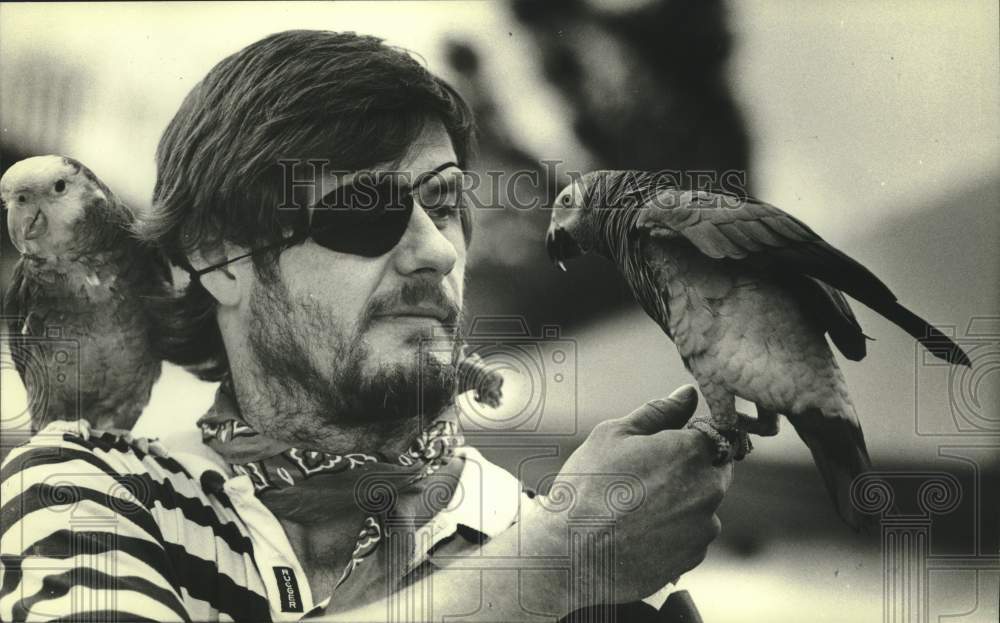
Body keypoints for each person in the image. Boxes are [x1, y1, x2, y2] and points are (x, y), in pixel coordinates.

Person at [0, 30, 731, 622]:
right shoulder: (87, 493)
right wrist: (546, 570)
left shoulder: (595, 553)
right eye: (363, 210)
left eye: (445, 203)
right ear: (221, 257)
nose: (435, 251)